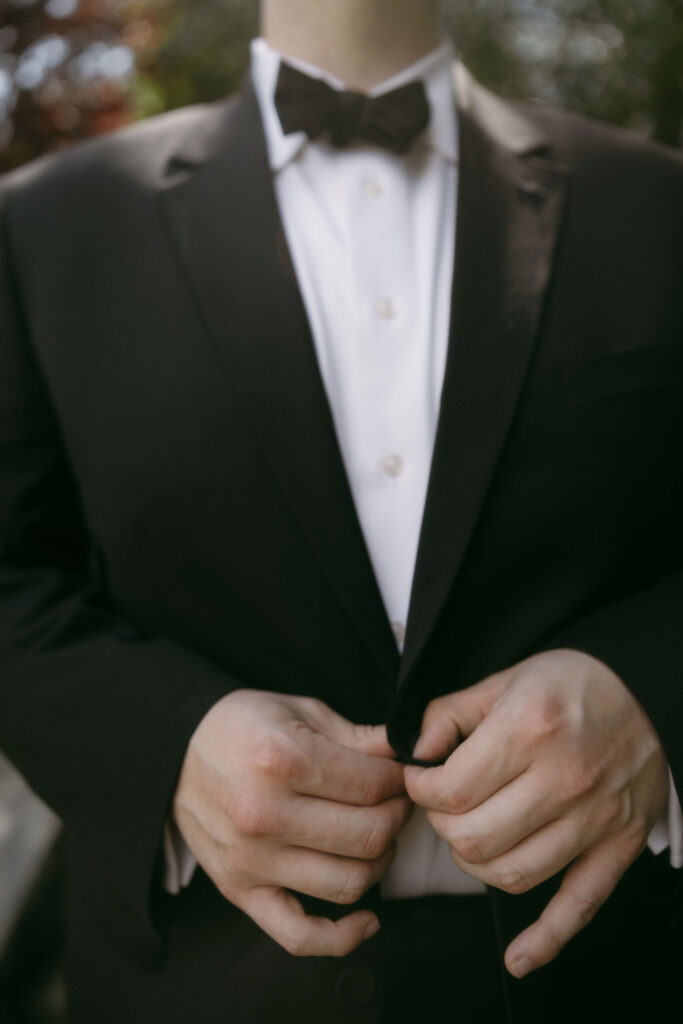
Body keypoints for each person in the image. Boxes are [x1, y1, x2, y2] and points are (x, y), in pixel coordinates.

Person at [0, 0, 682, 1020]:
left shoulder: (655, 206)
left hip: (614, 980)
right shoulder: (41, 226)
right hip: (190, 988)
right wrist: (164, 743)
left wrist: (654, 696)